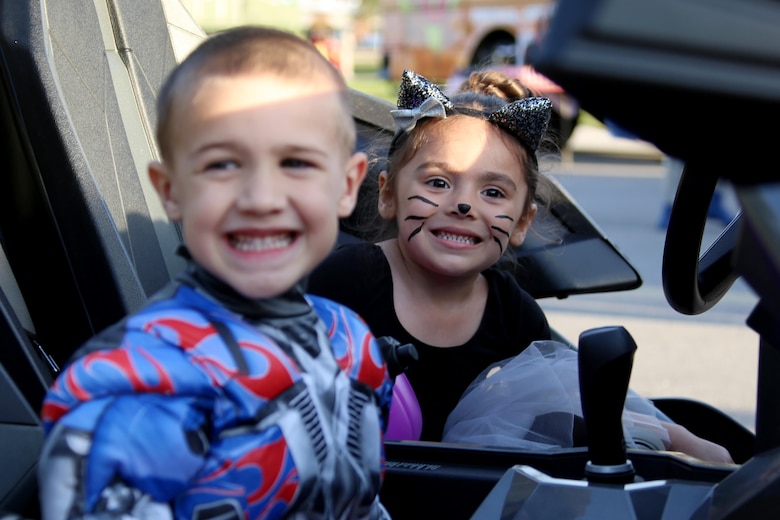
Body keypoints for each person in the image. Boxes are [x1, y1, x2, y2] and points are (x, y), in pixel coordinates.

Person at [37, 26, 394, 519]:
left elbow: (362, 501)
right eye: (223, 165)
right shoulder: (137, 378)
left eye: (295, 162)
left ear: (346, 185)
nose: (262, 199)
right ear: (172, 189)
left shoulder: (352, 344)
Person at [307, 69, 734, 464]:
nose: (463, 204)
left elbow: (560, 407)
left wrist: (679, 441)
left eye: (493, 192)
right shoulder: (349, 279)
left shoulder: (515, 314)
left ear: (522, 223)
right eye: (438, 182)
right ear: (388, 196)